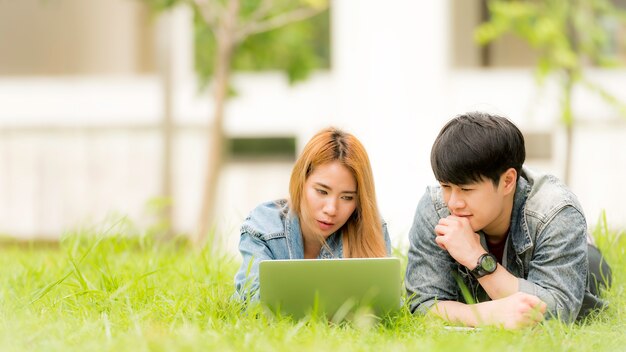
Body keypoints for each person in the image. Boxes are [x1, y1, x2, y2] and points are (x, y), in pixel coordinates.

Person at [405, 112, 612, 329]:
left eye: (466, 189)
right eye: (446, 186)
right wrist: (487, 315)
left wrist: (477, 259)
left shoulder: (555, 212)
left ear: (507, 181)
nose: (453, 202)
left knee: (594, 269)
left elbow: (557, 313)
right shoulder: (435, 207)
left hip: (583, 257)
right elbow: (421, 305)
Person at [234, 127, 391, 301]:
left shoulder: (370, 228)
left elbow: (384, 306)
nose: (331, 209)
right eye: (322, 192)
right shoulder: (264, 226)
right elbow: (250, 301)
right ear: (300, 181)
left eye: (347, 197)